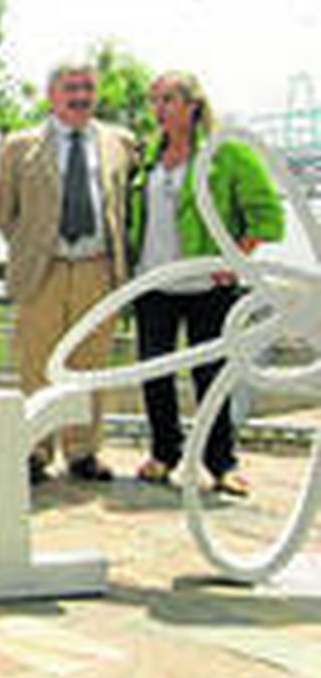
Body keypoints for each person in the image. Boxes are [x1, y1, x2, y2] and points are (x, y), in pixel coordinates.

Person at [127, 71, 283, 495]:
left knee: (211, 376)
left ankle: (222, 463)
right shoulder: (146, 155)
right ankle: (164, 454)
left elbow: (268, 215)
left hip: (208, 289)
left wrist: (235, 259)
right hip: (153, 284)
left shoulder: (227, 153)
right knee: (153, 372)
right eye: (154, 101)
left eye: (168, 100)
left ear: (193, 104)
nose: (159, 110)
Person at [0, 60, 136, 483]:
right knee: (36, 363)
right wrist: (32, 242)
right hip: (44, 269)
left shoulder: (120, 142)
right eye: (70, 87)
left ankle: (83, 452)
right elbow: (3, 207)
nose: (80, 96)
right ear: (52, 94)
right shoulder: (20, 145)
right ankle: (35, 450)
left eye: (87, 87)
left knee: (90, 363)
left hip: (98, 269)